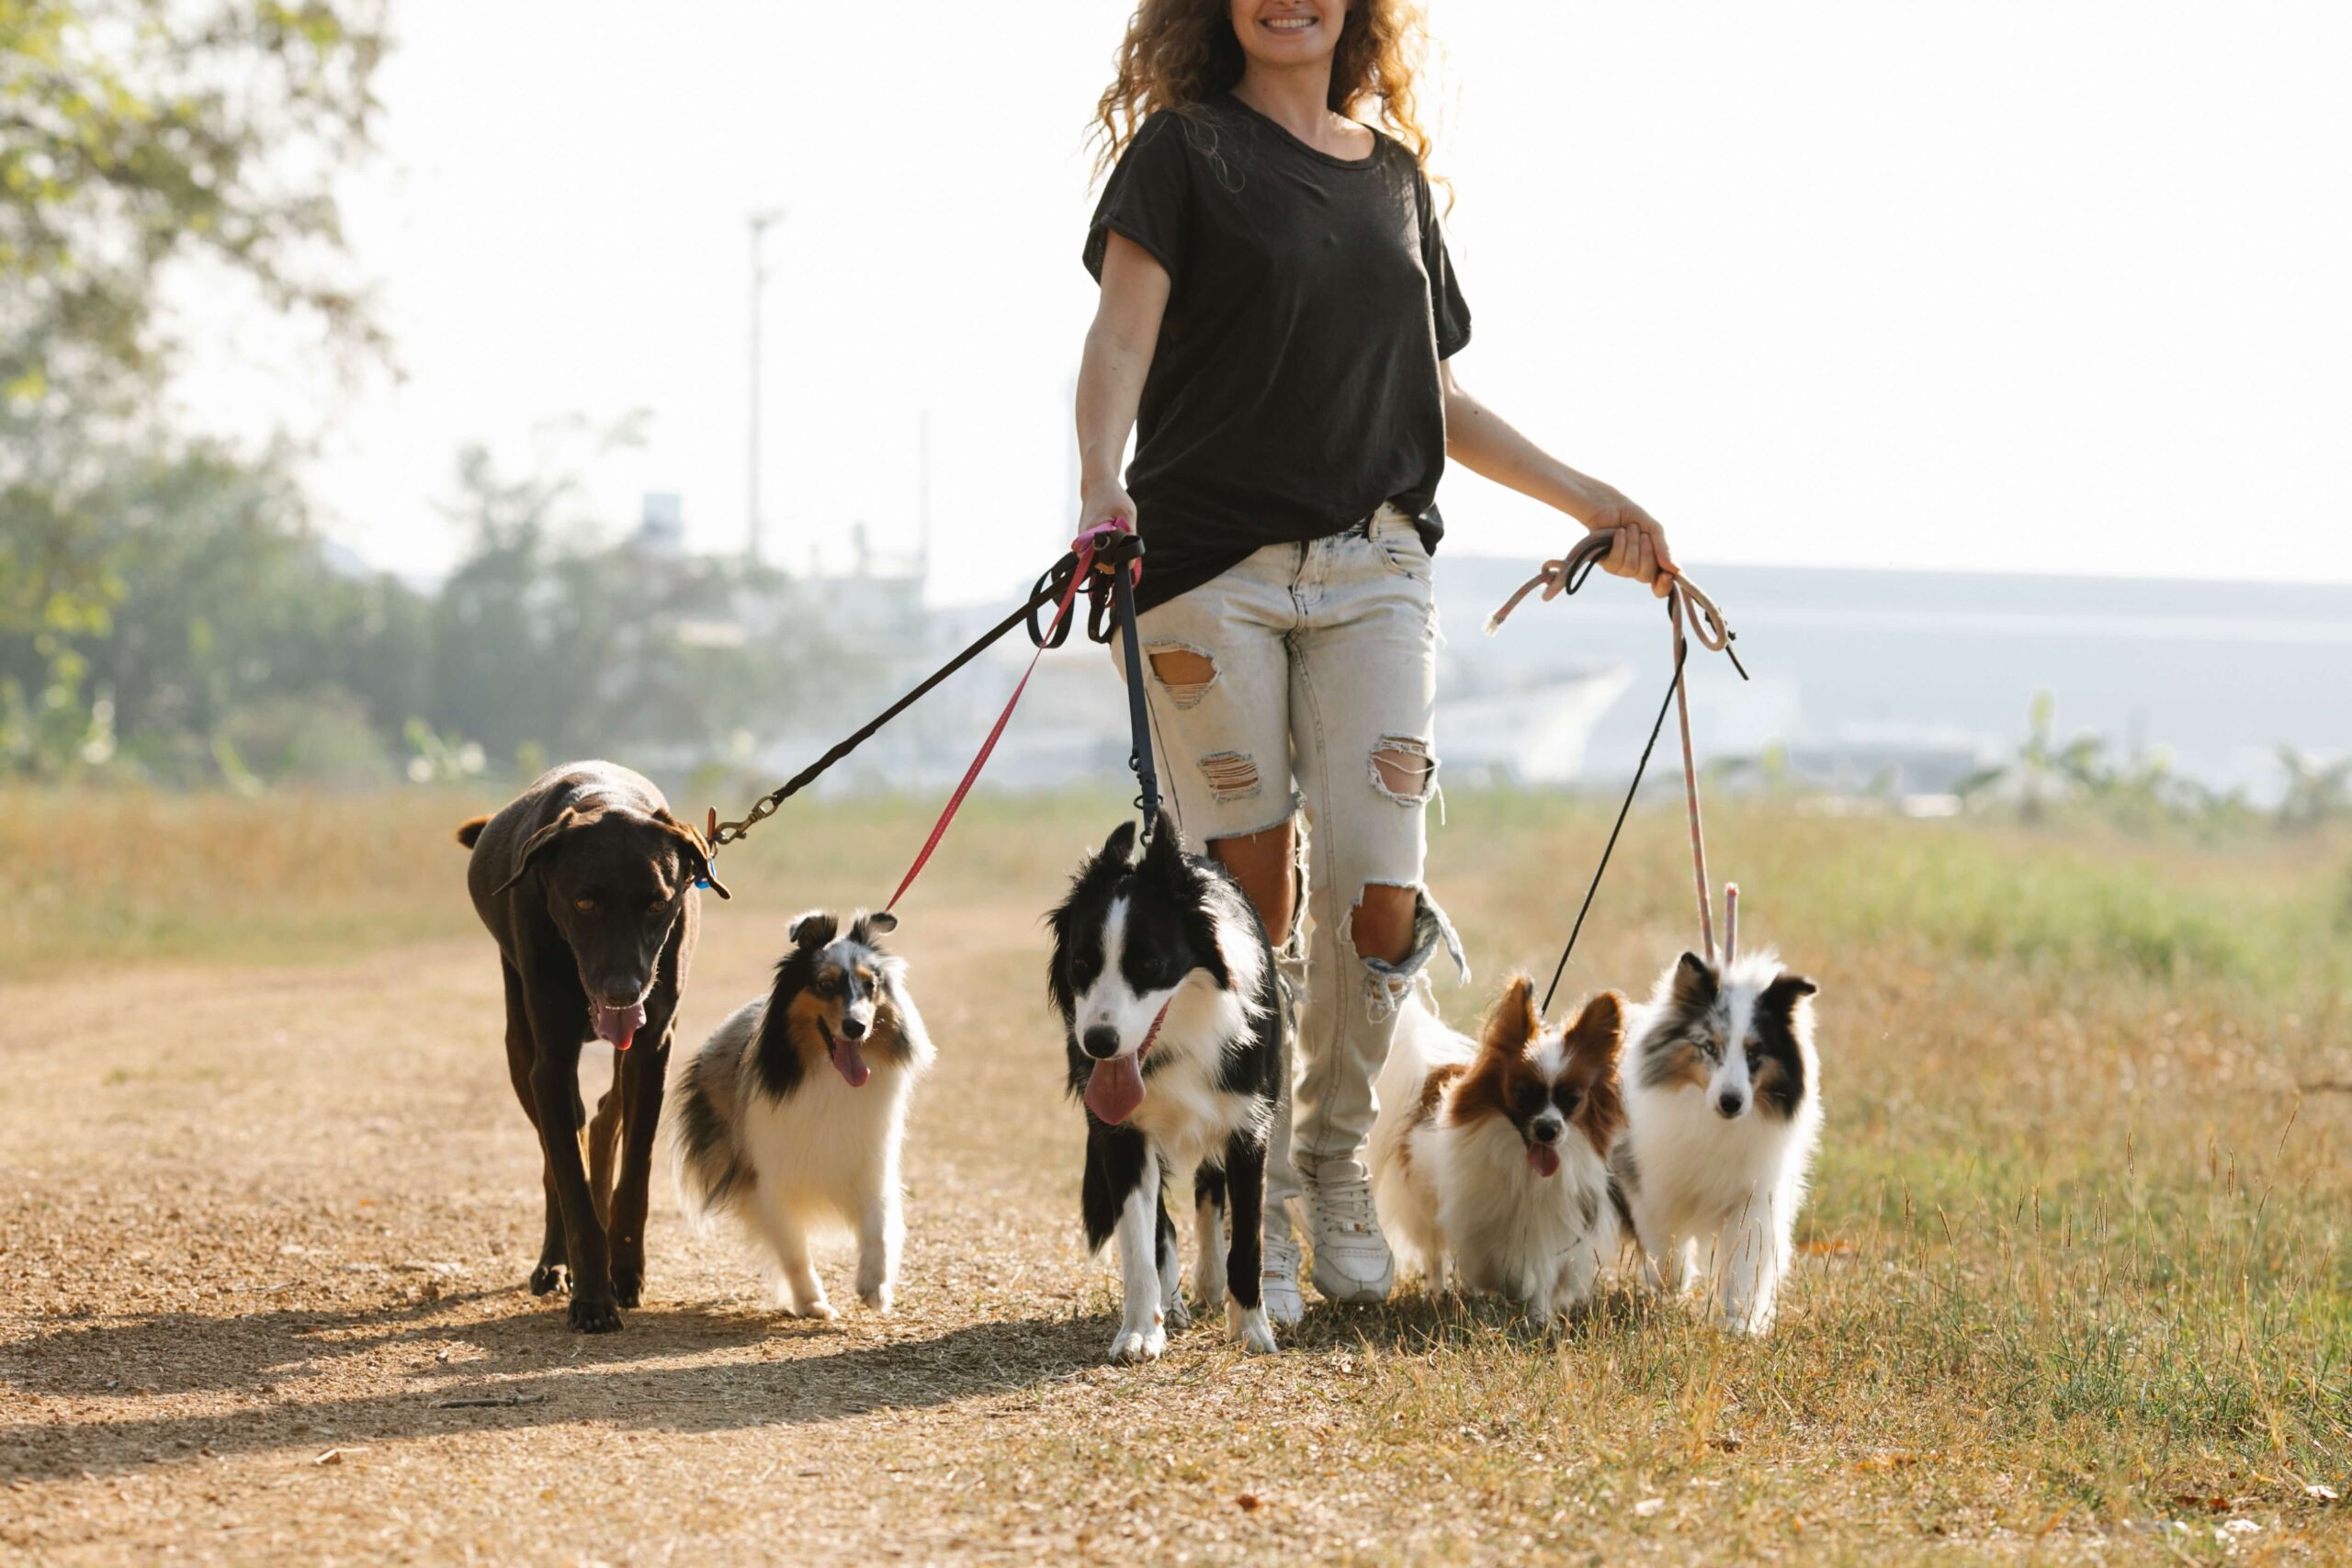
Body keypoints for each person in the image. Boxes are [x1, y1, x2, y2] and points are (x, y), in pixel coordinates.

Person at [1074, 0, 1678, 1319]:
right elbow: (1123, 334)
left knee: (1380, 888)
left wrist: (1591, 500)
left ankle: (1331, 1157)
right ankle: (1252, 1187)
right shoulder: (1184, 154)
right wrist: (1098, 486)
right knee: (1247, 894)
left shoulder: (1393, 177)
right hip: (1206, 573)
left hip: (1377, 570)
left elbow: (1438, 398)